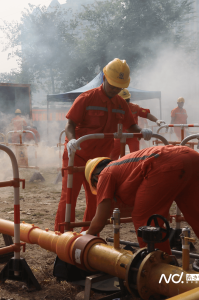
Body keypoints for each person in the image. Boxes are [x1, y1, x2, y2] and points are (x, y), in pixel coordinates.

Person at [84, 145, 199, 273]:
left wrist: (86, 236)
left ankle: (163, 273)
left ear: (95, 177)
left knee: (144, 219)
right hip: (194, 159)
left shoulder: (105, 173)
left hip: (167, 163)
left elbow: (100, 219)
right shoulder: (124, 167)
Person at [54, 58, 153, 233]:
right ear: (104, 78)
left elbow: (131, 125)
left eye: (119, 87)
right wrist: (72, 141)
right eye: (113, 85)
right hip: (77, 154)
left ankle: (88, 235)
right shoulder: (86, 98)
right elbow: (70, 124)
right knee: (69, 197)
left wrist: (142, 130)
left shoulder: (121, 103)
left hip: (100, 161)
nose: (115, 89)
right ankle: (60, 234)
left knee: (97, 199)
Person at [110, 88, 165, 160]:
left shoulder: (134, 107)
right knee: (112, 158)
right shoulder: (113, 108)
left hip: (133, 136)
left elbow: (146, 114)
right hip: (118, 137)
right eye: (124, 100)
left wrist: (157, 120)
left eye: (128, 100)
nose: (126, 102)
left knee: (136, 157)